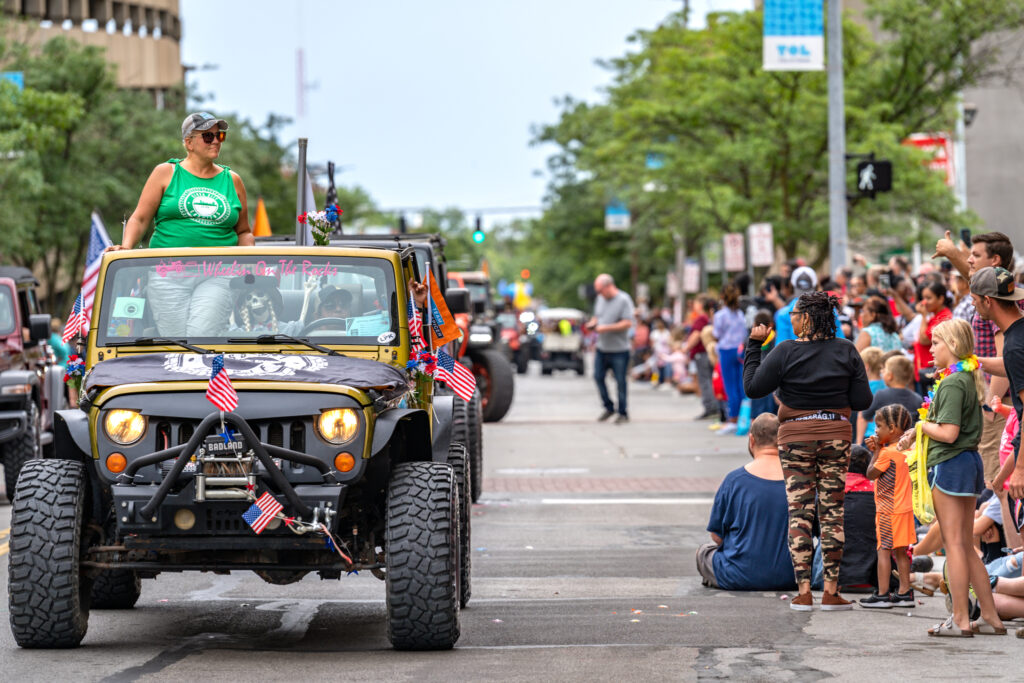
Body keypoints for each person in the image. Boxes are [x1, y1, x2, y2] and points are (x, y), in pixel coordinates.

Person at [744, 291, 873, 611]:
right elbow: (862, 401)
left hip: (795, 438)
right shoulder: (846, 350)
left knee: (799, 512)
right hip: (835, 437)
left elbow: (753, 387)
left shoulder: (785, 351)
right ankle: (831, 590)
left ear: (806, 318)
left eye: (795, 313)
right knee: (832, 514)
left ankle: (803, 592)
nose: (790, 318)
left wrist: (754, 347)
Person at [897, 318, 1005, 636]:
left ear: (953, 346)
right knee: (964, 546)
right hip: (965, 463)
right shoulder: (962, 378)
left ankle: (960, 618)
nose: (931, 349)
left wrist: (919, 426)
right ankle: (990, 616)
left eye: (936, 343)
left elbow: (948, 432)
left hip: (953, 464)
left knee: (954, 544)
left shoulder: (954, 382)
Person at [109, 112, 254, 337]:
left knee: (201, 336)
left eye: (220, 136)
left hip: (217, 272)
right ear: (189, 143)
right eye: (208, 136)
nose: (216, 141)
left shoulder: (232, 179)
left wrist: (247, 265)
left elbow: (244, 232)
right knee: (176, 341)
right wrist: (126, 247)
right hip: (168, 272)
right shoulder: (166, 172)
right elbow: (140, 218)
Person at [696, 414, 796, 591]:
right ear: (785, 442)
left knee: (704, 552)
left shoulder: (734, 480)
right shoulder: (799, 480)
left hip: (738, 575)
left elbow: (717, 536)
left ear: (752, 440)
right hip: (792, 576)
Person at [973, 267, 1024, 500]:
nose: (973, 306)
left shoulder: (1014, 346)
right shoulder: (1018, 335)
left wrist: (1020, 470)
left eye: (974, 301)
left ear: (987, 300)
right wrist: (969, 362)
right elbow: (1011, 367)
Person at [860, 405, 916, 608]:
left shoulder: (887, 453)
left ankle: (883, 594)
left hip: (887, 509)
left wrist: (875, 451)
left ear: (892, 428)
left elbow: (870, 474)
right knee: (901, 552)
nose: (875, 430)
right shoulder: (908, 450)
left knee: (883, 550)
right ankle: (904, 592)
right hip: (904, 508)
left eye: (879, 426)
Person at [585, 274, 634, 423]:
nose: (599, 294)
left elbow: (627, 323)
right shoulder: (600, 299)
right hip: (602, 347)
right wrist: (592, 324)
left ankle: (623, 412)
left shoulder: (624, 300)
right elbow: (597, 316)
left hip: (619, 349)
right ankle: (608, 407)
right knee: (598, 377)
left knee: (620, 381)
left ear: (608, 286)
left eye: (600, 290)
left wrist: (606, 328)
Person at [713, 284, 747, 433]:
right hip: (740, 350)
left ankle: (732, 418)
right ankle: (742, 417)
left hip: (726, 349)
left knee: (729, 385)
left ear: (722, 297)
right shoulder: (740, 314)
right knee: (740, 384)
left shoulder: (720, 315)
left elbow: (716, 334)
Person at [913, 280, 953, 396]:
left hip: (933, 370)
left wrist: (924, 315)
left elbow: (924, 339)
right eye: (923, 298)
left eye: (928, 298)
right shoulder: (935, 316)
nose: (924, 302)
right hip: (925, 369)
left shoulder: (944, 317)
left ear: (940, 299)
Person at [682, 296, 718, 420]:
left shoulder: (702, 318)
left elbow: (696, 335)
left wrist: (686, 348)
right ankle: (714, 406)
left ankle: (710, 407)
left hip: (701, 353)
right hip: (709, 352)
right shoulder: (709, 318)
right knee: (710, 380)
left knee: (704, 381)